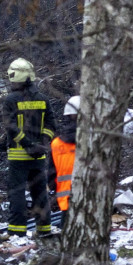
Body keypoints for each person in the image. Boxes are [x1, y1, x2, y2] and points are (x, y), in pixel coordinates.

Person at [0, 59, 55, 238]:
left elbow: (11, 128)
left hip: (18, 156)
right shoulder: (43, 99)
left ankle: (16, 231)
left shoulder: (11, 100)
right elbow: (51, 125)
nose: (11, 82)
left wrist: (28, 144)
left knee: (17, 193)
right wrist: (43, 144)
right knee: (39, 193)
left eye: (12, 78)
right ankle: (44, 229)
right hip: (39, 157)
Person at [50, 96, 79, 231]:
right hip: (90, 198)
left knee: (67, 236)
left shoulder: (56, 144)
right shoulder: (93, 141)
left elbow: (51, 173)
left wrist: (53, 191)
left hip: (65, 199)